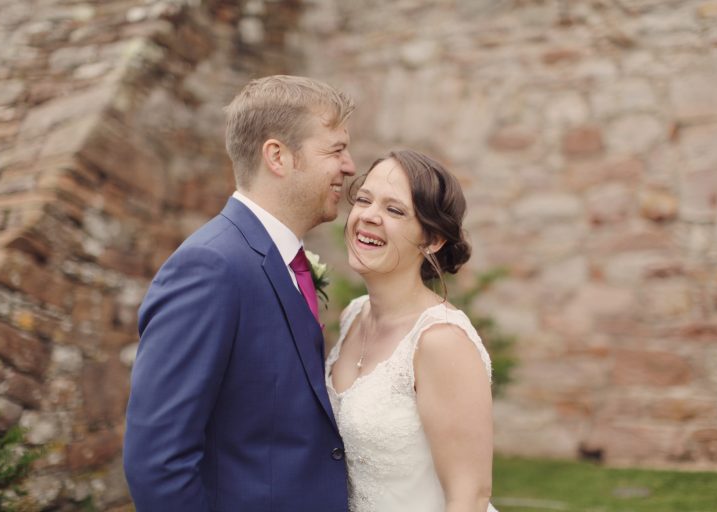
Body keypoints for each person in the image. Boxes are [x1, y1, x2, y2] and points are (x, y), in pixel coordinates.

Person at [123, 75, 356, 512]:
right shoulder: (210, 268)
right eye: (336, 150)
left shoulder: (282, 261)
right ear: (278, 157)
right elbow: (157, 462)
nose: (350, 166)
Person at [326, 149, 498, 512]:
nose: (369, 216)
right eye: (363, 200)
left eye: (394, 210)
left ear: (432, 240)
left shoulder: (441, 341)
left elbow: (469, 496)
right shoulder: (354, 316)